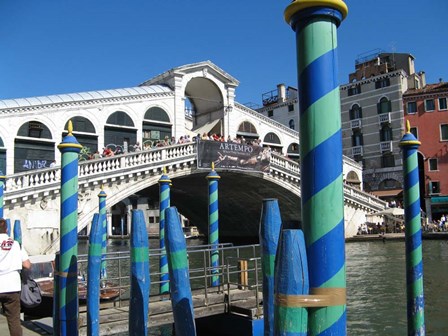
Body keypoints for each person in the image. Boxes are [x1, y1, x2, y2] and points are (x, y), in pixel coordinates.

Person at [0, 218, 31, 336]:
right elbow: (27, 264)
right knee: (14, 321)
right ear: (6, 229)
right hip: (12, 286)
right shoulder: (16, 244)